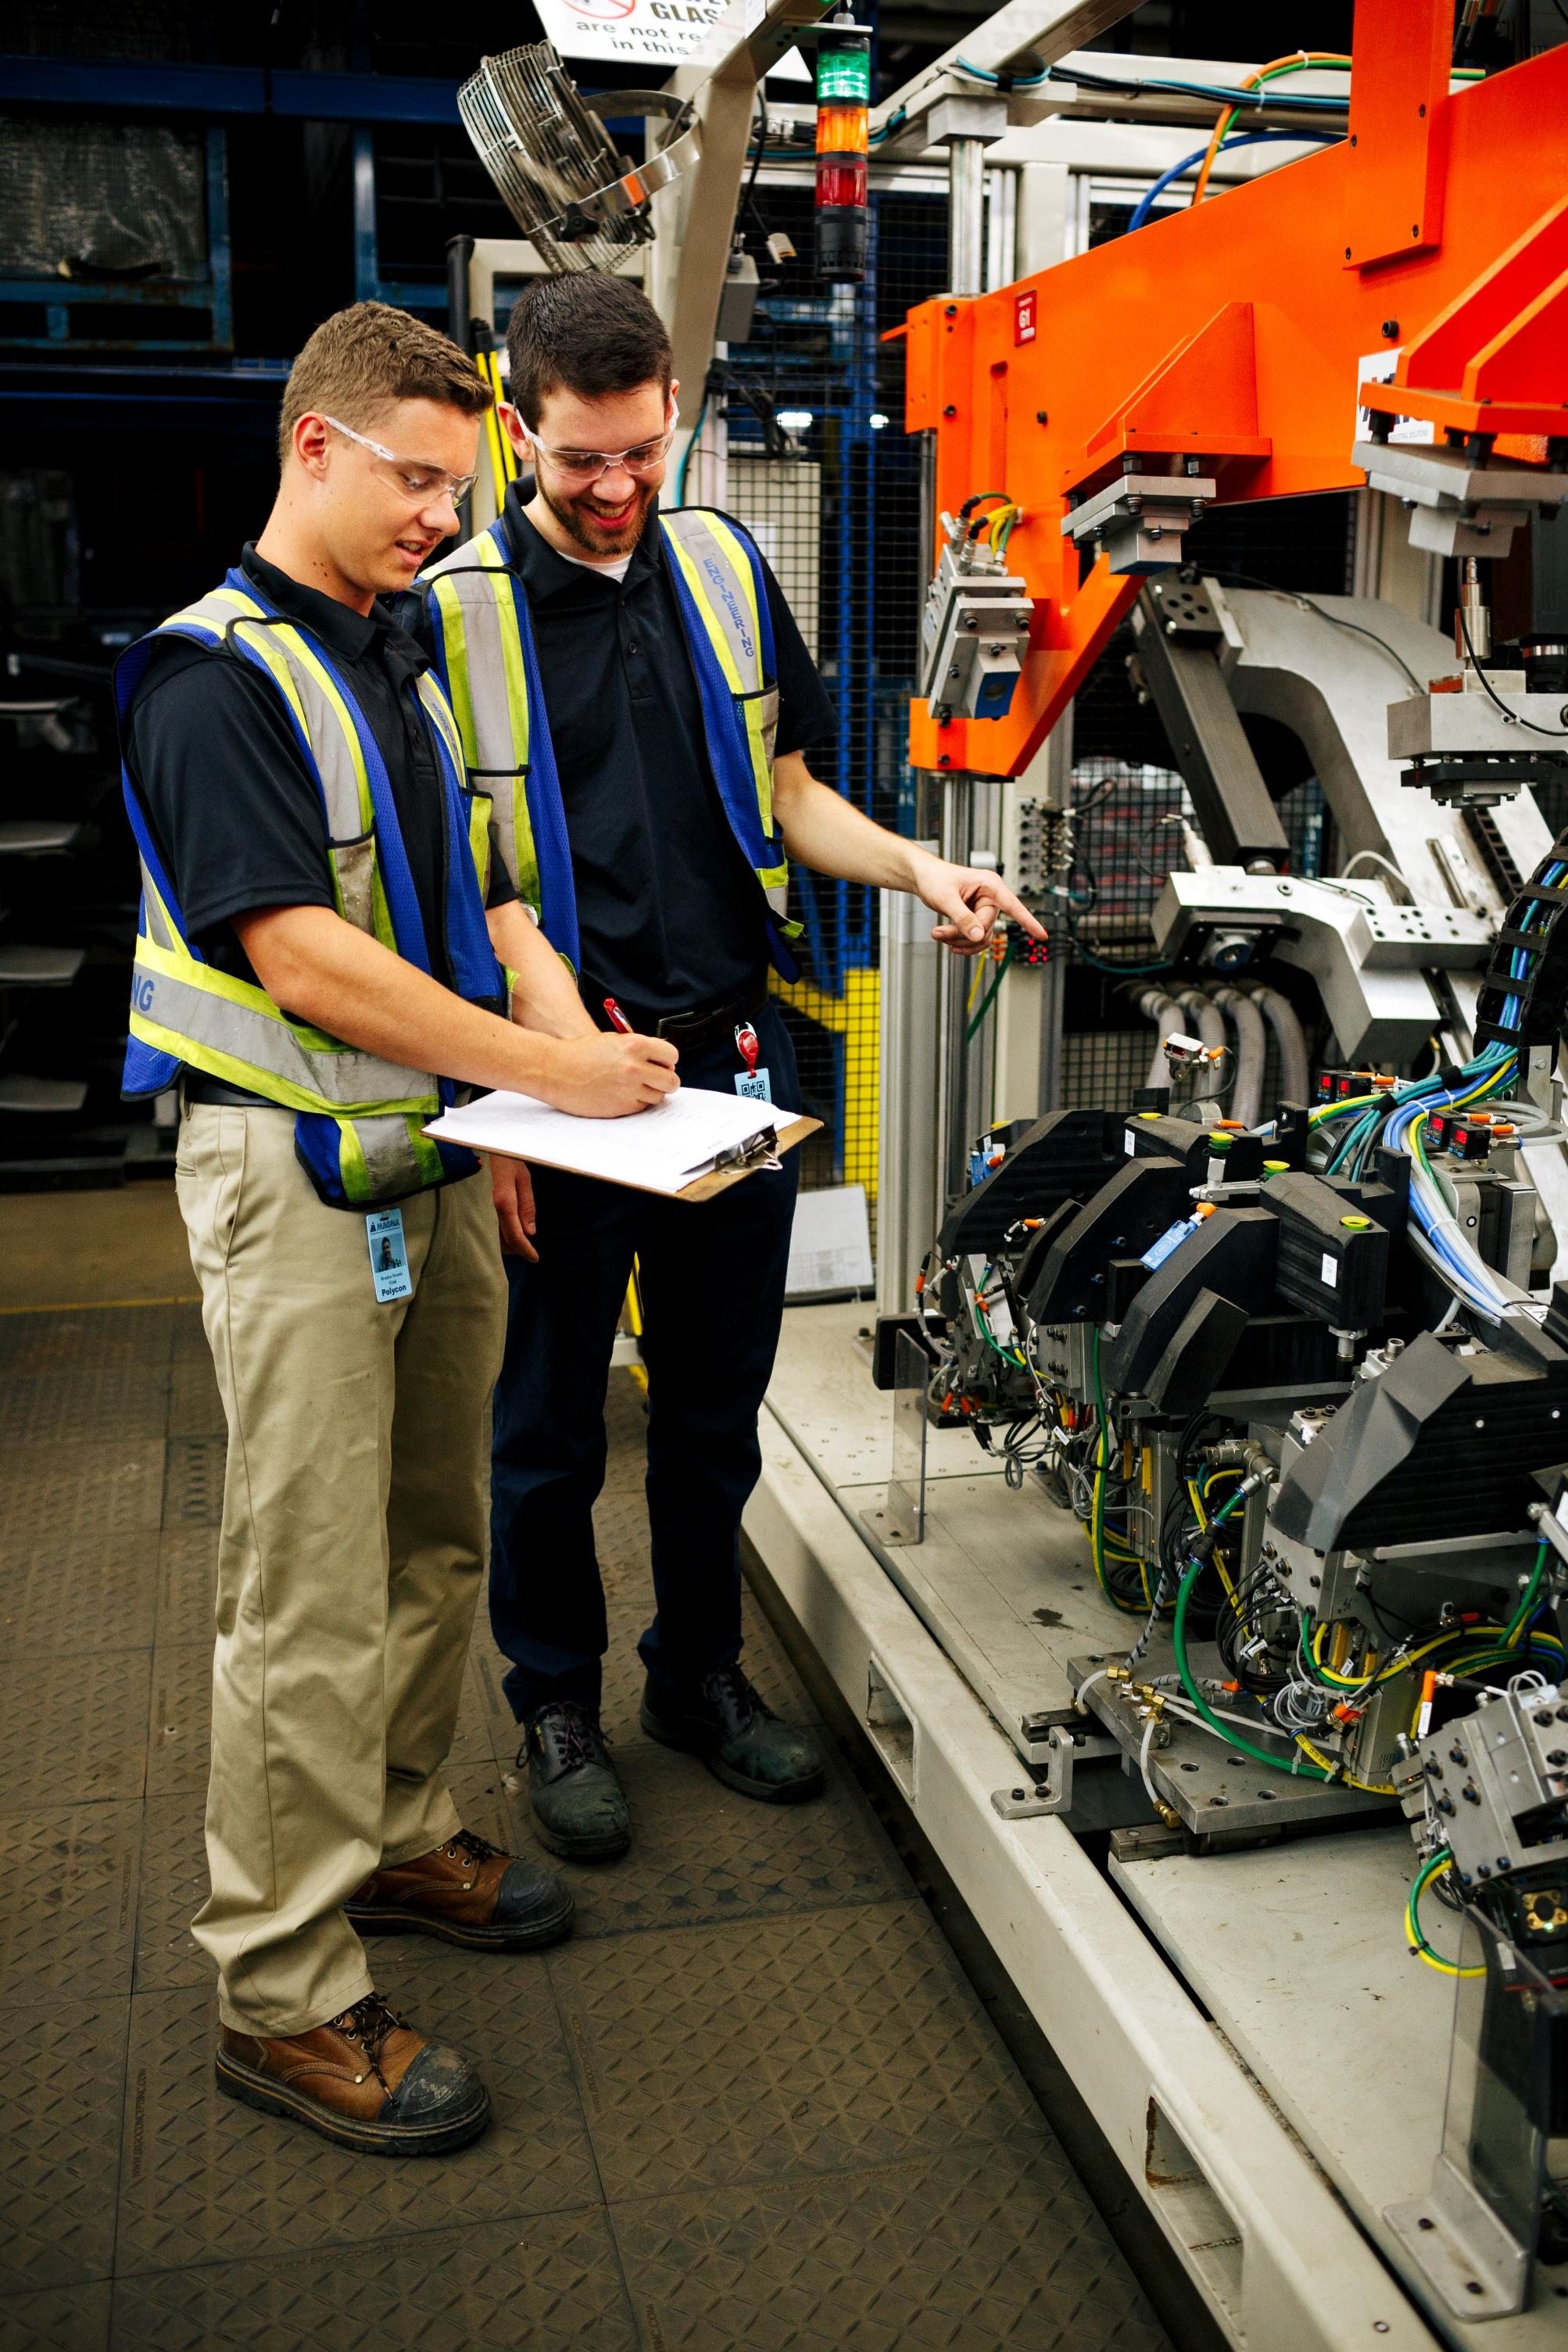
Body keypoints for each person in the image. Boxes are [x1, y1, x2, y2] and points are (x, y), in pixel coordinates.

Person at [117, 302, 678, 2156]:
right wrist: (543, 1064)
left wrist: (538, 1046)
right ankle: (280, 1990)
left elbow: (473, 885)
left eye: (465, 482)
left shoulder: (400, 649)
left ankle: (395, 1825)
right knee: (303, 1586)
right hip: (291, 1180)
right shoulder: (214, 679)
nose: (448, 515)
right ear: (314, 449)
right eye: (420, 479)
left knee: (437, 1526)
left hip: (434, 1161)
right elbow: (298, 951)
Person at [406, 273, 1045, 1862]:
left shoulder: (721, 562)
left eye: (638, 451)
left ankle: (696, 1670)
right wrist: (531, 1069)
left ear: (670, 413)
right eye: (577, 461)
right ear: (516, 430)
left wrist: (917, 869)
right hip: (560, 1071)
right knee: (548, 1423)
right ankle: (553, 1700)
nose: (614, 491)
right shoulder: (450, 612)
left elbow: (787, 787)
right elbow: (441, 885)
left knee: (715, 1407)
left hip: (729, 1057)